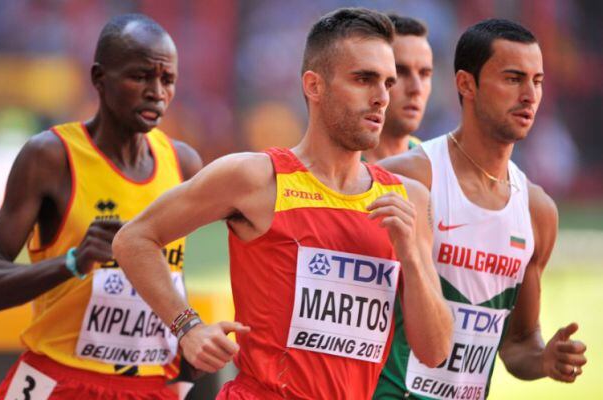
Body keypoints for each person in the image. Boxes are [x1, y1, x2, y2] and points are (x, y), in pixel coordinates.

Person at [113, 8, 452, 400]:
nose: (381, 98)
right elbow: (134, 239)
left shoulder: (408, 199)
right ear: (314, 86)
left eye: (387, 83)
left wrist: (411, 256)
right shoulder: (255, 178)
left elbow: (435, 352)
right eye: (364, 79)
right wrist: (187, 327)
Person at [0, 13, 202, 400]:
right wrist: (75, 262)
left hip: (151, 384)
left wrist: (186, 366)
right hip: (59, 380)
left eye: (168, 79)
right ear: (99, 77)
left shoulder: (184, 165)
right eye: (140, 76)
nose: (157, 92)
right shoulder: (51, 157)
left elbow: (172, 276)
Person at [374, 19, 588, 400]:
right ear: (465, 84)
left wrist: (543, 360)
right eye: (513, 79)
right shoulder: (408, 177)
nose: (529, 95)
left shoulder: (537, 210)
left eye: (537, 81)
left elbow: (519, 343)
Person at [362, 14, 432, 163]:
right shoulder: (334, 170)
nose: (416, 88)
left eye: (424, 74)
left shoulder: (436, 164)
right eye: (400, 72)